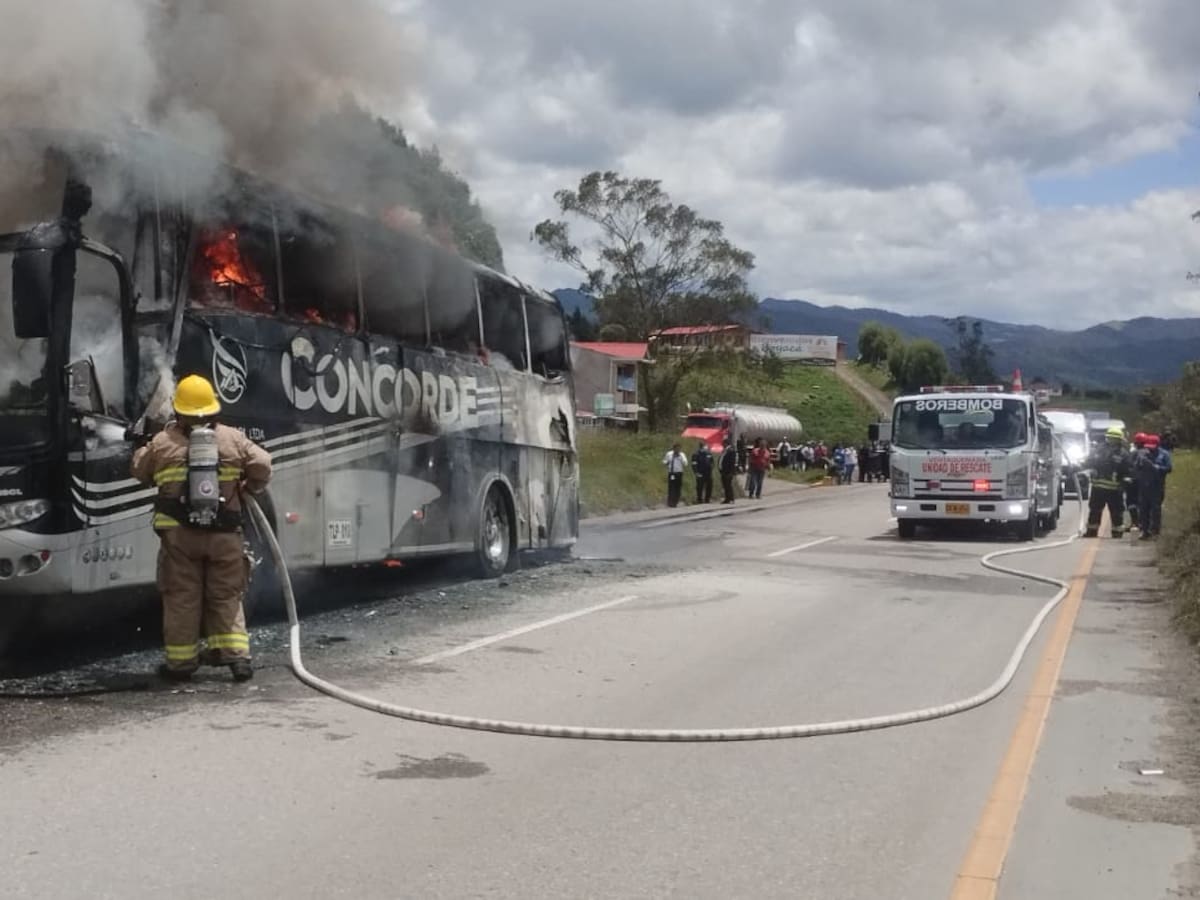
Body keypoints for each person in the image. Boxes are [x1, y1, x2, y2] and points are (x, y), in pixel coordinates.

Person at [132, 375, 272, 682]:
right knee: (226, 596)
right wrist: (251, 486)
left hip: (180, 540)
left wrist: (146, 446)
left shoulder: (164, 442)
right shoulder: (233, 439)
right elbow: (263, 463)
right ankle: (238, 660)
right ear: (212, 409)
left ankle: (181, 665)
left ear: (179, 410)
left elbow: (139, 471)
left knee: (182, 597)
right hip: (224, 536)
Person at [1084, 425, 1133, 539]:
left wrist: (1125, 480)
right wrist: (1085, 469)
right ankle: (1091, 531)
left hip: (1115, 490)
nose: (1112, 441)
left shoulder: (1123, 454)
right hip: (1098, 488)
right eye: (1110, 438)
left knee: (1117, 512)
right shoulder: (1099, 450)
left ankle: (1117, 532)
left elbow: (1129, 470)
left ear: (1119, 440)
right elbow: (1089, 462)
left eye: (1114, 439)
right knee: (1095, 510)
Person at [1135, 434, 1172, 539]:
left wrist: (1158, 468)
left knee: (1155, 509)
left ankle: (1155, 531)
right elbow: (1136, 468)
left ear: (1157, 445)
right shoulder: (1143, 454)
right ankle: (1144, 531)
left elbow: (1169, 468)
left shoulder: (1164, 454)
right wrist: (1141, 464)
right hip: (1144, 486)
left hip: (1157, 486)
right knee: (1143, 509)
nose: (1150, 449)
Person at [1127, 432, 1147, 530]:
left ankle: (1135, 523)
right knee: (1143, 502)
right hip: (1145, 482)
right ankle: (1143, 524)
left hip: (1133, 481)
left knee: (1131, 502)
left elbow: (1129, 465)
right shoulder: (1149, 452)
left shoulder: (1133, 453)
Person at [663, 442, 688, 508]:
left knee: (678, 488)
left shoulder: (682, 455)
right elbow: (664, 461)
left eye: (678, 449)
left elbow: (685, 463)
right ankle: (670, 502)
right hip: (672, 473)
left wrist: (680, 458)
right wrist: (667, 462)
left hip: (679, 473)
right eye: (676, 448)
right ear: (673, 448)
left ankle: (675, 502)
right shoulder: (669, 454)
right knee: (671, 487)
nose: (677, 450)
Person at [718, 436, 738, 504]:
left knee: (728, 485)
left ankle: (731, 499)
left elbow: (732, 462)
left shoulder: (731, 451)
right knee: (725, 485)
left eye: (723, 443)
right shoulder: (724, 450)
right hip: (723, 471)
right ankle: (727, 498)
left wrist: (731, 472)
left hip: (728, 472)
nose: (722, 444)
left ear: (726, 443)